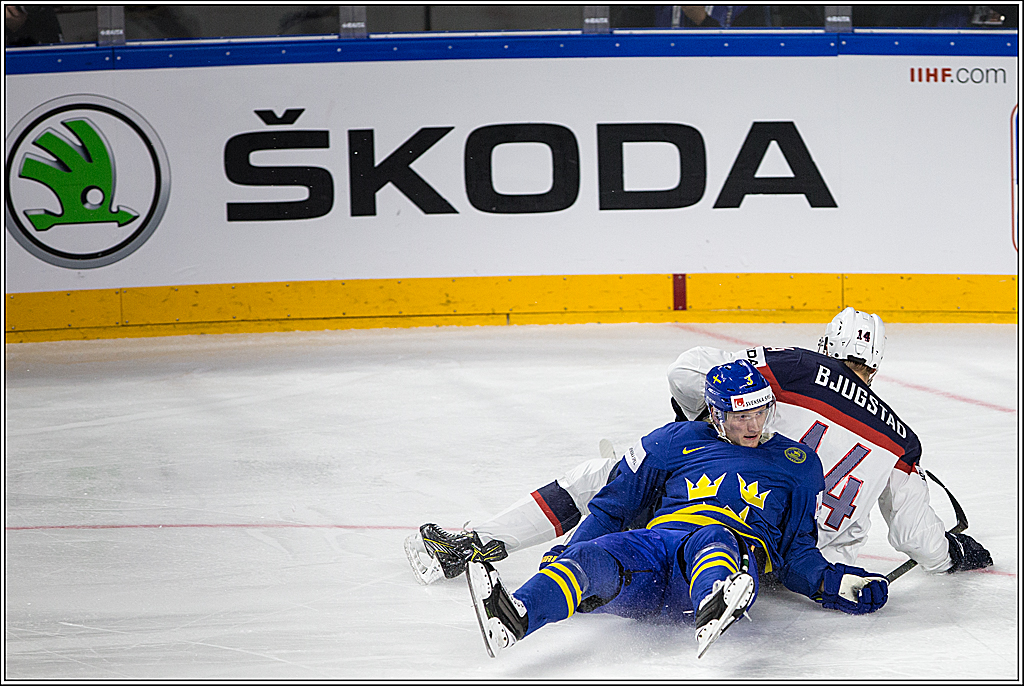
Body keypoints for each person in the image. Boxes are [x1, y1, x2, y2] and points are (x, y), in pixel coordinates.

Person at [405, 308, 992, 583]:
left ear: (826, 341)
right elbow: (916, 538)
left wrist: (696, 423)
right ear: (878, 364)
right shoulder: (901, 438)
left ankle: (477, 546)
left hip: (729, 500)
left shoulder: (794, 365)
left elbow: (688, 374)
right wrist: (954, 555)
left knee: (607, 475)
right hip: (800, 558)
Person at [465, 361, 889, 659]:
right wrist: (569, 551)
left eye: (760, 412)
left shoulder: (798, 464)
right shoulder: (670, 440)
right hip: (655, 551)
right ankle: (515, 617)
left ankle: (717, 599)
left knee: (714, 537)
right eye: (741, 416)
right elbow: (613, 508)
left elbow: (796, 551)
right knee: (592, 555)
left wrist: (835, 584)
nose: (753, 426)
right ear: (715, 413)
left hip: (727, 553)